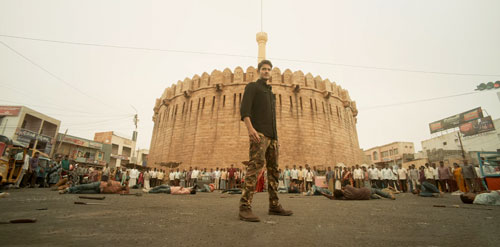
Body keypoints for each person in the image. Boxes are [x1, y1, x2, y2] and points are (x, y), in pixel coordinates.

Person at [238, 59, 292, 222]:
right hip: (259, 134)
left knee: (274, 171)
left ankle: (274, 205)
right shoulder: (253, 87)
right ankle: (244, 207)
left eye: (269, 69)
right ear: (259, 71)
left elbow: (272, 118)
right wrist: (251, 129)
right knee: (255, 167)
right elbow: (244, 110)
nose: (266, 71)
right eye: (264, 69)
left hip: (272, 137)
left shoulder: (270, 93)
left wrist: (276, 138)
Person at [321, 185, 395, 200]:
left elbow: (333, 198)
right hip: (365, 191)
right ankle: (388, 195)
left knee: (371, 195)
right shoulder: (347, 188)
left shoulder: (345, 197)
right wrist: (343, 188)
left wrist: (325, 194)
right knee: (375, 190)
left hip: (365, 197)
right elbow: (349, 187)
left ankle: (377, 197)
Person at [60, 179, 129, 194]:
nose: (124, 188)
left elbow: (127, 192)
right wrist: (109, 183)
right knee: (83, 186)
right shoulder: (118, 183)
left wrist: (127, 186)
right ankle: (68, 189)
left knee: (83, 192)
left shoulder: (119, 191)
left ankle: (71, 191)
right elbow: (109, 181)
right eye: (124, 186)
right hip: (99, 184)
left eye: (124, 188)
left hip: (98, 191)